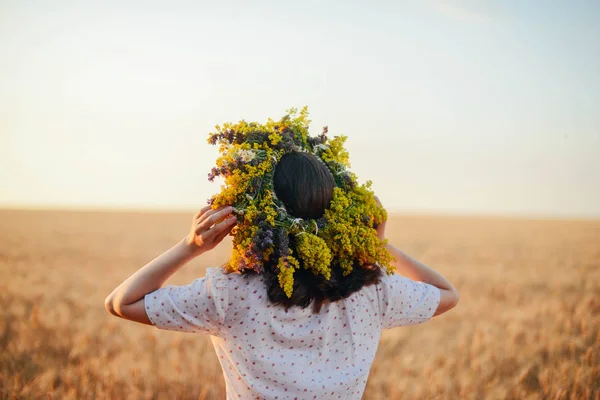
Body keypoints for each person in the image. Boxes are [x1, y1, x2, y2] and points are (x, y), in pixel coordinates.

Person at [105, 151, 459, 399]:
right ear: (336, 214)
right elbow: (446, 294)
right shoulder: (370, 291)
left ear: (254, 218)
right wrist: (377, 248)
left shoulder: (230, 295)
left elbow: (122, 302)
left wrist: (190, 245)